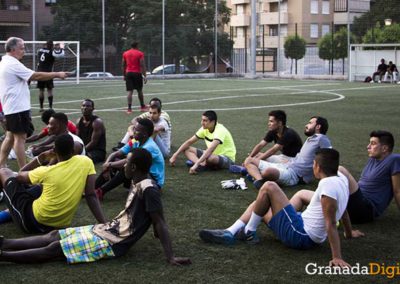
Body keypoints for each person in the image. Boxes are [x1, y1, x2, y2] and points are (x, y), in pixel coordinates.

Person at [0, 148, 191, 266]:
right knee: (55, 235)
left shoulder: (149, 189)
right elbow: (154, 219)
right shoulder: (137, 181)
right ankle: (5, 243)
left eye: (127, 162)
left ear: (133, 168)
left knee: (56, 247)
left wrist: (170, 256)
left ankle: (4, 255)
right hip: (108, 229)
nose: (123, 165)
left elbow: (160, 222)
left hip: (115, 242)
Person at [199, 148, 364, 267]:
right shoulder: (341, 177)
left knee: (269, 186)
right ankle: (231, 231)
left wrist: (337, 257)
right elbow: (343, 210)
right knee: (259, 204)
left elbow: (330, 223)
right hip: (302, 225)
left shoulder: (327, 185)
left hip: (301, 236)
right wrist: (349, 233)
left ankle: (248, 232)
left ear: (318, 167)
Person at [0, 134, 106, 233]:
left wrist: (39, 159)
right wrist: (104, 223)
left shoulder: (46, 171)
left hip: (32, 223)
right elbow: (90, 194)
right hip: (58, 225)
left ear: (54, 150)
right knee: (38, 189)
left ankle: (6, 205)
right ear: (73, 150)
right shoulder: (86, 161)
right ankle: (9, 211)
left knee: (4, 172)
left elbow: (18, 176)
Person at [0, 37, 67, 169]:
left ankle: (1, 165)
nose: (24, 50)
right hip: (17, 108)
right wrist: (57, 74)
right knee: (20, 139)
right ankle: (24, 170)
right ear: (13, 49)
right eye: (22, 48)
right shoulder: (12, 64)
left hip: (12, 107)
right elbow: (35, 76)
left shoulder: (6, 62)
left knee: (10, 137)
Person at [245, 116, 331, 189]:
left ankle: (257, 177)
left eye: (310, 123)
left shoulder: (321, 138)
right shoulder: (311, 138)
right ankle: (258, 177)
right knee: (250, 159)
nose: (306, 125)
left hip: (295, 175)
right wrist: (291, 161)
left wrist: (327, 178)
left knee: (267, 171)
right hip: (288, 165)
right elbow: (303, 157)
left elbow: (329, 157)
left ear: (318, 126)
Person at [339, 130, 400, 224]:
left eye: (373, 143)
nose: (368, 146)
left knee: (340, 170)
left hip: (366, 209)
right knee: (309, 194)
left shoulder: (394, 160)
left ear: (384, 148)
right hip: (356, 201)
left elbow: (397, 191)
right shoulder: (372, 159)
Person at [95, 118, 164, 200]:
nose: (133, 131)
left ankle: (101, 191)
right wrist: (107, 164)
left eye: (137, 130)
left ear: (145, 134)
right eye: (134, 128)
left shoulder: (149, 147)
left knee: (129, 165)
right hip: (140, 177)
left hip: (153, 183)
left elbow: (128, 162)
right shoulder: (135, 140)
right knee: (117, 160)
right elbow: (117, 153)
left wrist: (109, 165)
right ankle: (92, 188)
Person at [233, 110, 302, 175]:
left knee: (263, 163)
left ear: (280, 123)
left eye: (271, 121)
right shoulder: (273, 131)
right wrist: (250, 157)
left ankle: (253, 171)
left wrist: (255, 161)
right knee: (257, 155)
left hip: (293, 162)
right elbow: (260, 145)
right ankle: (250, 169)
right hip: (283, 158)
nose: (269, 123)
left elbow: (273, 150)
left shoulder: (288, 133)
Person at [169, 110, 236, 174]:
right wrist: (175, 155)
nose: (202, 123)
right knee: (186, 149)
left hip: (227, 158)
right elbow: (189, 142)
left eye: (205, 120)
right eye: (202, 120)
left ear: (213, 122)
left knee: (210, 158)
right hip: (211, 154)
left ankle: (201, 164)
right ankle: (202, 165)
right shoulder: (205, 128)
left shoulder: (220, 130)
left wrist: (196, 164)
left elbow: (210, 149)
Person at [36, 40, 65, 112]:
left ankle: (41, 107)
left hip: (40, 72)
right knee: (49, 90)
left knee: (41, 90)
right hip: (48, 73)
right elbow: (60, 54)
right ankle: (50, 107)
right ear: (52, 45)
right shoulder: (51, 52)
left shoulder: (39, 51)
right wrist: (61, 47)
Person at [76, 99, 106, 163]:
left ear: (93, 109)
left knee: (81, 160)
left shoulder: (97, 122)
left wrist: (81, 151)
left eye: (88, 106)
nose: (85, 108)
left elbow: (93, 143)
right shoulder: (79, 121)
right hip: (84, 149)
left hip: (97, 151)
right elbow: (77, 138)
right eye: (83, 106)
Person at [122, 41, 148, 114]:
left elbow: (123, 65)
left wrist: (124, 75)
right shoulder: (140, 53)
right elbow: (142, 65)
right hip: (137, 73)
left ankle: (129, 108)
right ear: (137, 46)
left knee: (130, 91)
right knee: (139, 90)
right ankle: (142, 107)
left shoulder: (125, 53)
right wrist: (145, 75)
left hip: (128, 73)